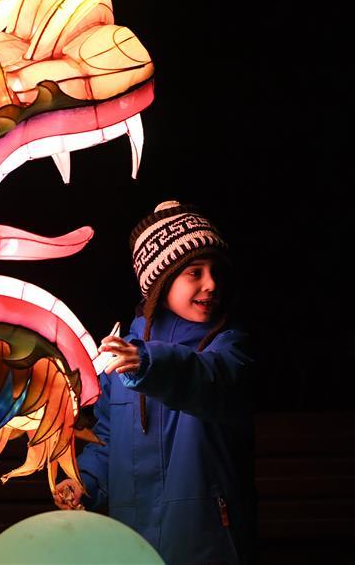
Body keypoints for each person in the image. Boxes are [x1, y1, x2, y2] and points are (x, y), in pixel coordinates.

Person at [54, 201, 257, 565]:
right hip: (132, 542)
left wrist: (148, 364)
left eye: (216, 272)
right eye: (194, 273)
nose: (211, 284)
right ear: (160, 282)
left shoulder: (228, 345)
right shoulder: (122, 356)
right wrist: (84, 482)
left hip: (206, 541)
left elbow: (210, 379)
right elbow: (108, 439)